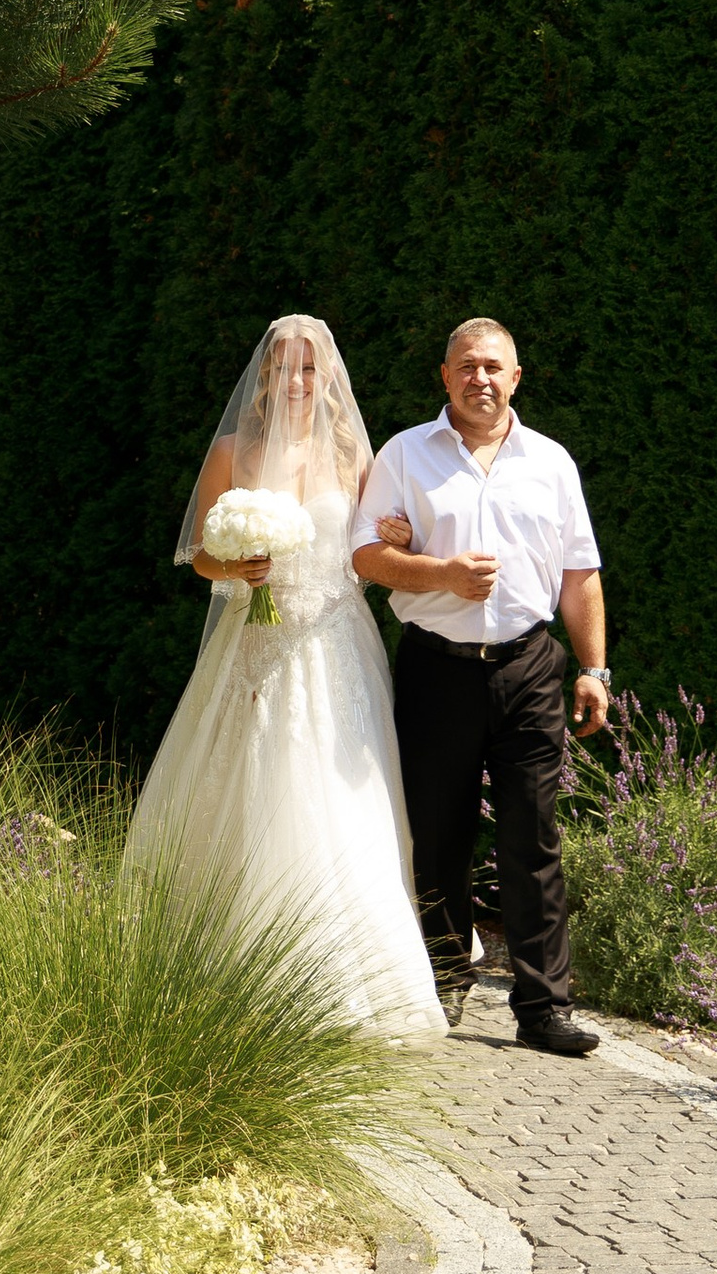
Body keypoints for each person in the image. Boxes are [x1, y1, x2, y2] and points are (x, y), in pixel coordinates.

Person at [122, 314, 444, 1037]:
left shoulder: (358, 456)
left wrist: (398, 535)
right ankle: (229, 960)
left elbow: (383, 543)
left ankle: (342, 976)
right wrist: (232, 565)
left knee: (337, 793)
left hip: (334, 641)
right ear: (263, 377)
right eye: (283, 368)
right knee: (251, 781)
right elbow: (199, 554)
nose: (297, 381)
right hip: (253, 643)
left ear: (327, 376)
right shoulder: (235, 453)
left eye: (309, 368)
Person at [351, 316, 609, 1059]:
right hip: (436, 666)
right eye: (467, 366)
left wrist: (593, 668)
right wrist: (442, 575)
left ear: (516, 377)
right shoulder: (404, 455)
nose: (481, 379)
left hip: (530, 666)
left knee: (533, 837)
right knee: (438, 836)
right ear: (445, 376)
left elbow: (579, 573)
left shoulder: (551, 462)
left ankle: (542, 1008)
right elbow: (365, 556)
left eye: (494, 366)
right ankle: (442, 980)